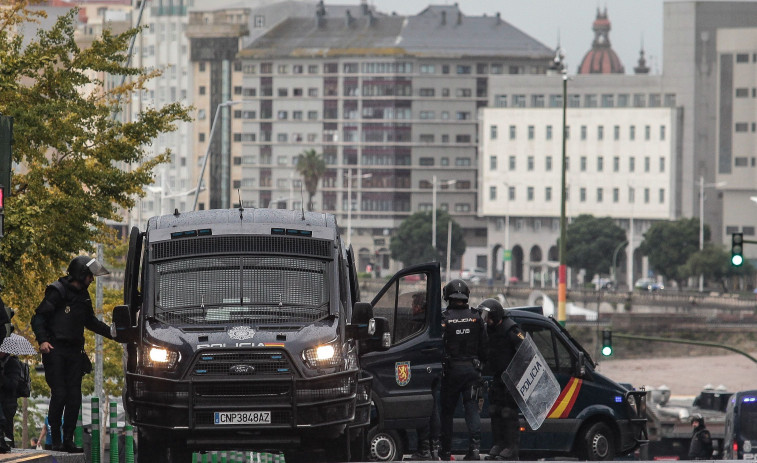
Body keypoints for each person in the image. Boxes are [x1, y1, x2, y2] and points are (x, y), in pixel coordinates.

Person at [31, 256, 114, 453]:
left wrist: (114, 333)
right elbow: (38, 318)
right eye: (90, 276)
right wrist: (42, 340)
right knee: (60, 394)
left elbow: (90, 321)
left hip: (75, 352)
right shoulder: (57, 291)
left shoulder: (83, 296)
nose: (92, 280)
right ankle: (56, 440)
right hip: (55, 350)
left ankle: (68, 439)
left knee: (75, 397)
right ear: (81, 274)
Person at [439, 279, 487, 461]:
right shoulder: (476, 317)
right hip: (472, 371)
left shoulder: (444, 318)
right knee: (472, 410)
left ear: (448, 296)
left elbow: (439, 346)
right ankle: (474, 451)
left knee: (447, 412)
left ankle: (445, 451)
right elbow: (484, 347)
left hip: (451, 372)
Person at [478, 299, 525, 461]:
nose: (486, 320)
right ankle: (498, 444)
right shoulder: (489, 330)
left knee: (508, 412)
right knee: (495, 410)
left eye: (488, 316)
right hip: (498, 377)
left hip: (512, 378)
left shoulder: (511, 329)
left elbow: (524, 352)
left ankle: (511, 448)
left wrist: (516, 376)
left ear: (496, 315)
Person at [409, 291, 441, 461]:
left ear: (420, 307)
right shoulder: (435, 322)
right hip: (435, 370)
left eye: (414, 304)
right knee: (434, 409)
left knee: (424, 410)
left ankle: (424, 449)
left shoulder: (419, 324)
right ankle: (434, 448)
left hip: (421, 371)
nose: (412, 308)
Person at [0, 351, 23, 449]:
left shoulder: (12, 363)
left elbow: (13, 384)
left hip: (8, 402)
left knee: (7, 429)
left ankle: (9, 447)